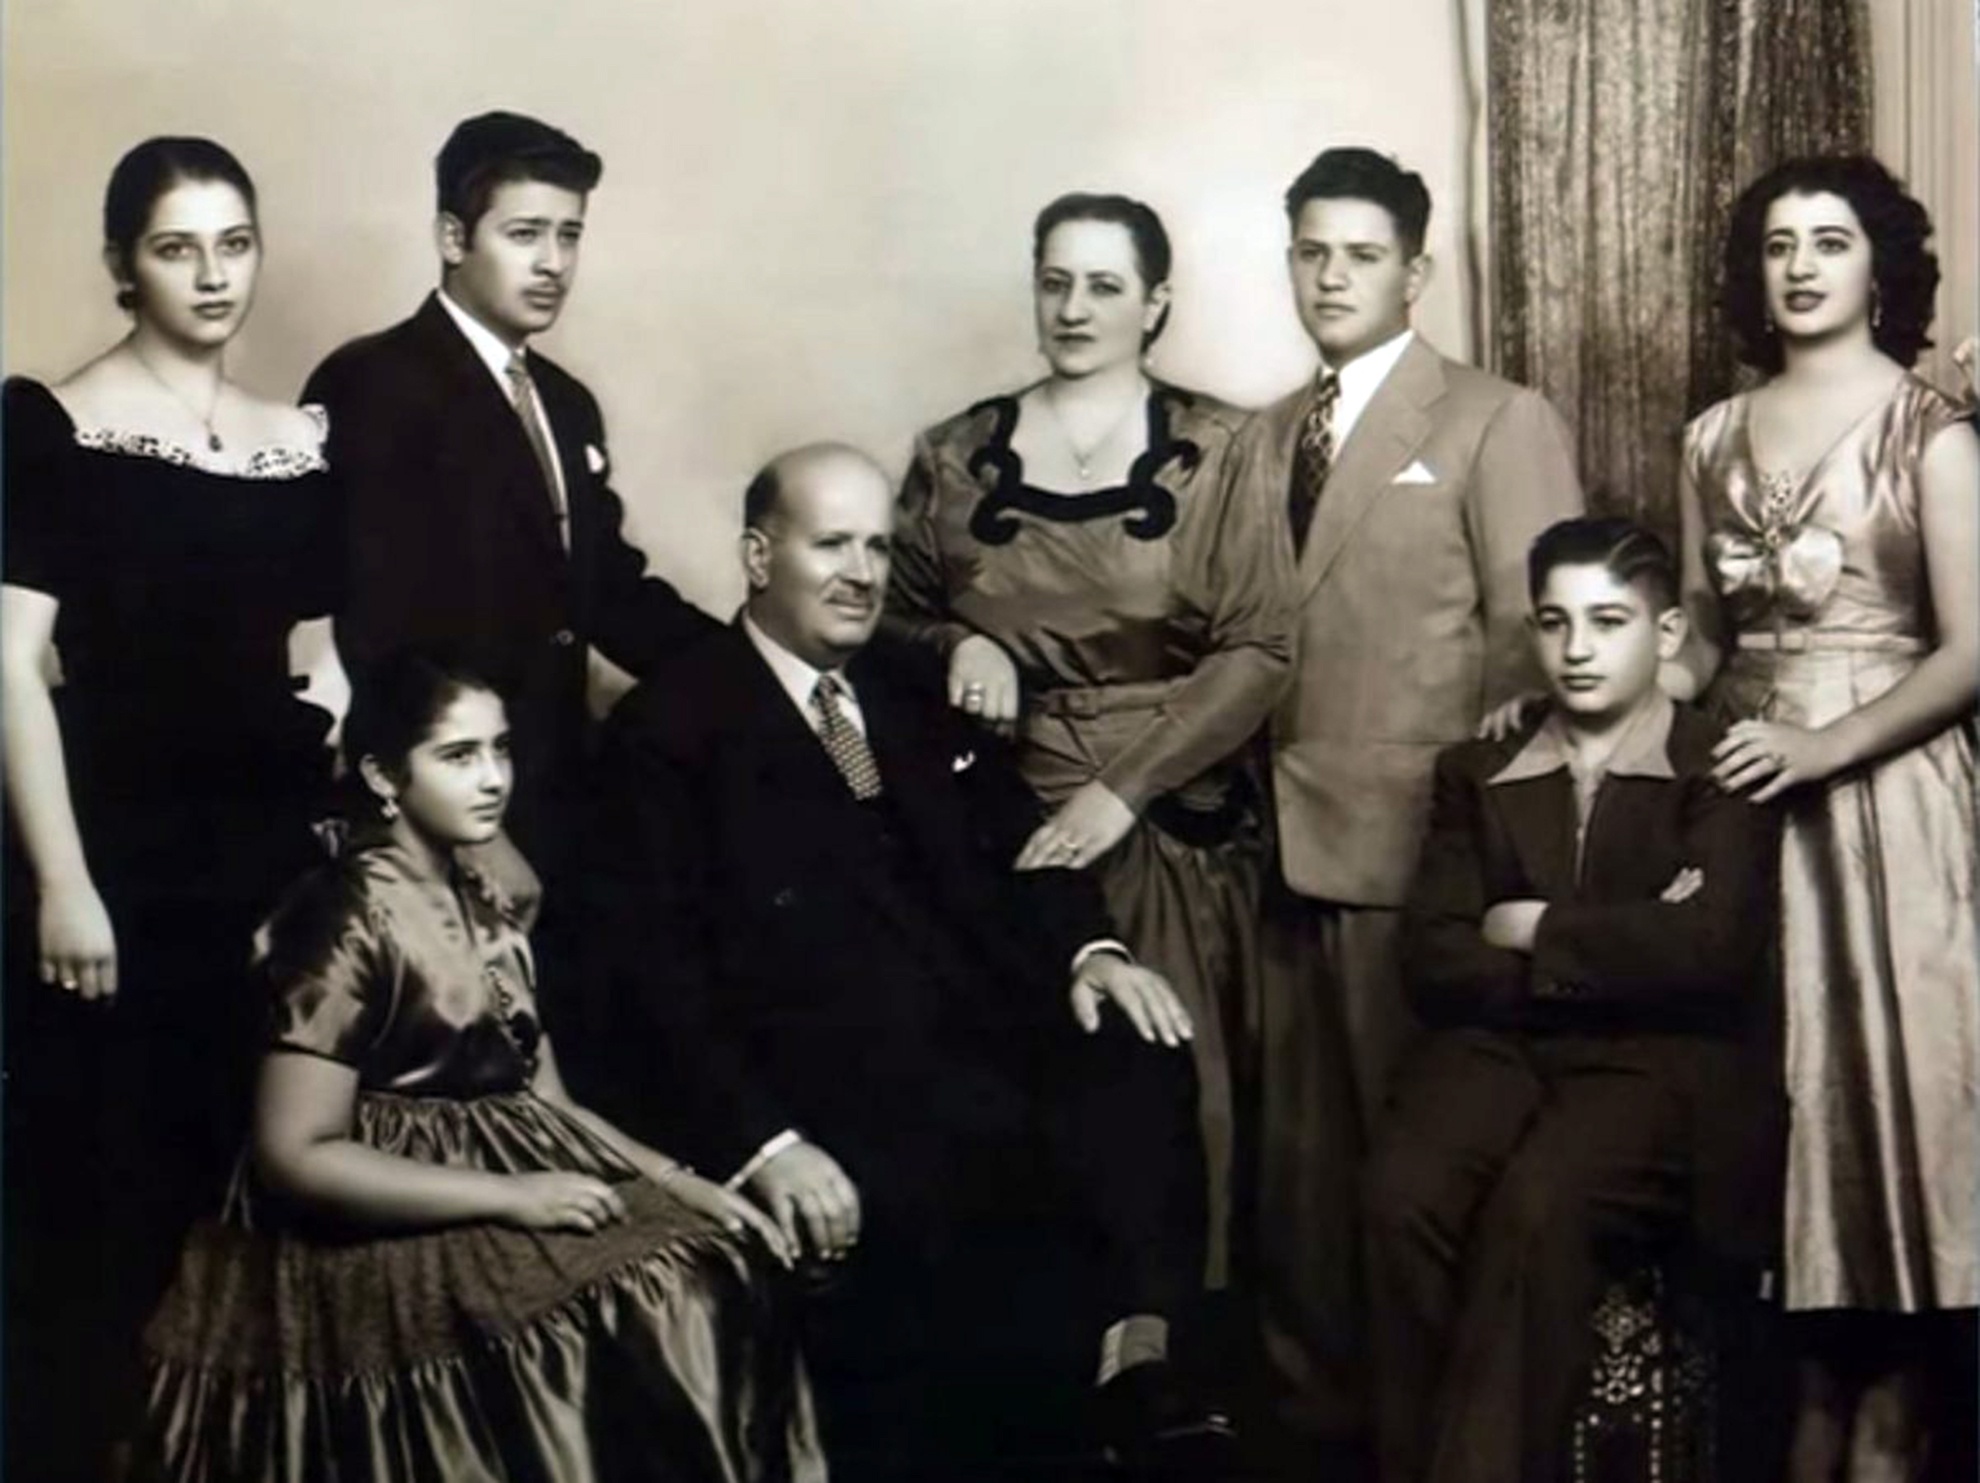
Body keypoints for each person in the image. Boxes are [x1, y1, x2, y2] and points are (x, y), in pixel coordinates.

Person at [592, 444, 1225, 1481]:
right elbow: (654, 977)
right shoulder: (671, 727)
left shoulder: (911, 686)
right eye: (831, 544)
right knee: (972, 1198)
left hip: (973, 1031)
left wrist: (1091, 951)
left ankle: (1140, 1365)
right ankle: (1058, 1421)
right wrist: (764, 1144)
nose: (862, 573)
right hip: (822, 1073)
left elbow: (1022, 843)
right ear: (758, 556)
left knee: (1139, 1045)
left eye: (879, 547)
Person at [133, 652, 824, 1483]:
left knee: (722, 1254)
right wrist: (514, 1197)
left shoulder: (486, 900)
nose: (494, 777)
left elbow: (549, 1100)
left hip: (510, 1155)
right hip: (388, 1201)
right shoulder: (340, 915)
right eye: (458, 756)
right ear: (384, 776)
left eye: (501, 749)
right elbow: (296, 1153)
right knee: (661, 1296)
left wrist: (684, 1181)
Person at [1226, 144, 1585, 1447]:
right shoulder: (1262, 435)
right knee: (1296, 1191)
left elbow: (1536, 645)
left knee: (1404, 1187)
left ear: (1416, 272)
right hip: (1270, 853)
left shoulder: (1494, 417)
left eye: (1362, 254)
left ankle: (1429, 1449)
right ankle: (1317, 1442)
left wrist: (1484, 860)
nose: (1332, 276)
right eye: (1312, 252)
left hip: (1415, 863)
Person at [1, 136, 340, 1478]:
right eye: (176, 247)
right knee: (102, 1214)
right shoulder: (51, 425)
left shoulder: (296, 442)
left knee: (244, 1193)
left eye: (234, 243)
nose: (212, 275)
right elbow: (10, 665)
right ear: (122, 265)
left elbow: (323, 657)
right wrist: (63, 883)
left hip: (266, 861)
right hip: (120, 860)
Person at [883, 191, 1295, 1295]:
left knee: (1178, 1107)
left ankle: (1176, 1354)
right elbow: (886, 620)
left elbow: (1261, 647)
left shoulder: (1226, 447)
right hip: (1003, 823)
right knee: (1025, 1121)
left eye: (1105, 286)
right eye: (1055, 281)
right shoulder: (953, 454)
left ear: (1155, 303)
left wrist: (1122, 790)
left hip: (1169, 821)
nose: (1074, 307)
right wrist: (956, 645)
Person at [1673, 155, 1979, 1483]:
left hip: (1893, 806)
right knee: (1778, 1115)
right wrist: (1581, 701)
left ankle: (1896, 1416)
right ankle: (1813, 1407)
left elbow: (1972, 652)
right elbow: (1699, 641)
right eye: (1780, 244)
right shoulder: (1709, 437)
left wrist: (1823, 747)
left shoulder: (1933, 433)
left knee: (1896, 1106)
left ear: (1880, 267)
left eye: (1831, 241)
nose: (1800, 265)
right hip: (1748, 802)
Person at [1364, 517, 1779, 1483]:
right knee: (1400, 1193)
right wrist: (1622, 943)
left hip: (1659, 1068)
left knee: (1538, 1208)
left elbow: (1710, 953)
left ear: (1667, 633)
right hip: (1502, 1049)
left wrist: (1535, 925)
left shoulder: (1718, 767)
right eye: (1555, 623)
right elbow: (1433, 957)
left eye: (1608, 621)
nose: (1577, 649)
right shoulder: (1478, 768)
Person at [303, 110, 714, 895]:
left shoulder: (564, 401)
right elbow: (381, 635)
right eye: (525, 234)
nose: (554, 263)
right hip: (442, 810)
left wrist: (758, 666)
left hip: (563, 786)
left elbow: (609, 592)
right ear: (453, 238)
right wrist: (469, 831)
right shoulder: (373, 384)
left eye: (570, 235)